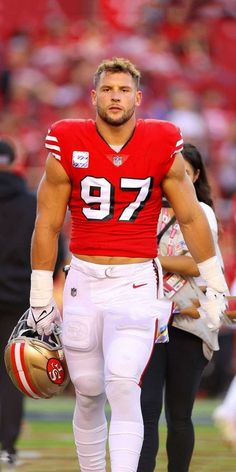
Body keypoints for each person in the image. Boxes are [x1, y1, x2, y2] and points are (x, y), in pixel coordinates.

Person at [26, 58, 228, 472]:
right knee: (86, 389)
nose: (114, 97)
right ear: (93, 96)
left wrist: (215, 281)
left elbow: (191, 217)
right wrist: (40, 297)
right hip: (83, 278)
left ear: (137, 98)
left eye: (122, 90)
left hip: (137, 282)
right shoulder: (68, 139)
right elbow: (46, 223)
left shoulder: (161, 140)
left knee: (122, 384)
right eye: (107, 89)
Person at [137, 143, 231, 472]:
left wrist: (150, 261)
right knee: (145, 410)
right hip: (147, 320)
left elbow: (199, 265)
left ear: (195, 175)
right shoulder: (143, 209)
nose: (176, 178)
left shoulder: (201, 212)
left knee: (179, 414)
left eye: (184, 173)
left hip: (187, 325)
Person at [0, 139, 37, 468]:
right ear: (15, 162)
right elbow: (50, 252)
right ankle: (7, 446)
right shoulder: (30, 204)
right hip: (16, 299)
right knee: (11, 376)